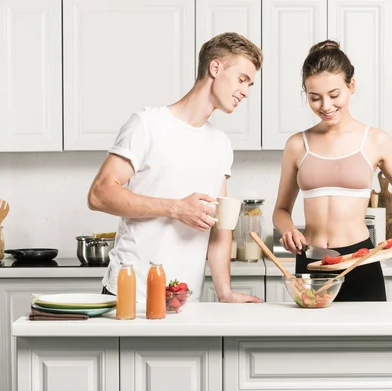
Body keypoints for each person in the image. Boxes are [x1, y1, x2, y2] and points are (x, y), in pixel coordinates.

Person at [88, 32, 263, 304]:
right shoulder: (146, 125)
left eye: (250, 84)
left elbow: (221, 226)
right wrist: (175, 208)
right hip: (132, 295)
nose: (246, 92)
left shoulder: (221, 144)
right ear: (215, 68)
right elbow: (99, 194)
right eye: (242, 79)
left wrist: (225, 292)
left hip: (184, 300)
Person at [273, 40, 392, 302]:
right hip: (311, 262)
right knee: (308, 340)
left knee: (367, 343)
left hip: (360, 260)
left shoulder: (376, 140)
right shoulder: (297, 145)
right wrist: (288, 230)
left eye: (334, 95)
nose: (325, 105)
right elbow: (281, 210)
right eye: (314, 97)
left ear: (351, 86)